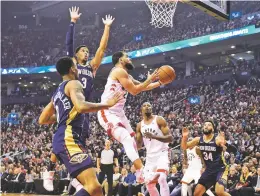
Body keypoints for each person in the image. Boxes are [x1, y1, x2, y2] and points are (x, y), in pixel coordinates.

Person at [44, 7, 115, 191]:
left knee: (75, 142)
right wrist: (72, 22)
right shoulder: (71, 71)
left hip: (83, 113)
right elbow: (70, 43)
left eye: (86, 51)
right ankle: (50, 171)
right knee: (65, 134)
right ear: (74, 58)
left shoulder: (91, 68)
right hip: (78, 105)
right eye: (83, 51)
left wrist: (106, 27)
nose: (86, 52)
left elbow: (102, 48)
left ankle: (74, 180)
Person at [39, 56, 122, 196]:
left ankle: (52, 173)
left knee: (95, 188)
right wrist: (108, 104)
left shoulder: (57, 92)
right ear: (72, 69)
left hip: (66, 138)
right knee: (93, 187)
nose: (77, 69)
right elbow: (81, 106)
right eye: (76, 66)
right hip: (69, 139)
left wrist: (62, 117)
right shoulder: (74, 83)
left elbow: (42, 119)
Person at [97, 51, 167, 182]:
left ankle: (140, 173)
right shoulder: (119, 71)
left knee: (135, 142)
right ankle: (142, 171)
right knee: (126, 138)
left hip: (119, 112)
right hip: (107, 111)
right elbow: (135, 91)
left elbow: (141, 87)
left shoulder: (126, 74)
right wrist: (149, 80)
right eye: (126, 56)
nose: (129, 58)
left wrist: (159, 82)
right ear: (120, 60)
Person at [181, 120, 230, 196]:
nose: (206, 126)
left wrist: (222, 143)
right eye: (205, 125)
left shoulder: (216, 139)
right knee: (197, 193)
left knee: (219, 191)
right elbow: (184, 147)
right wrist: (184, 137)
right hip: (209, 170)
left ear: (213, 129)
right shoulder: (198, 139)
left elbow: (222, 142)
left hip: (220, 169)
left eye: (209, 125)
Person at [136, 102, 173, 196]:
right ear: (141, 110)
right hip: (150, 157)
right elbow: (139, 145)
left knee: (162, 178)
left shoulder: (159, 120)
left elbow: (170, 138)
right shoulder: (140, 125)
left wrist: (154, 136)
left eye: (149, 105)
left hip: (162, 153)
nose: (147, 107)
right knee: (149, 185)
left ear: (151, 109)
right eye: (144, 105)